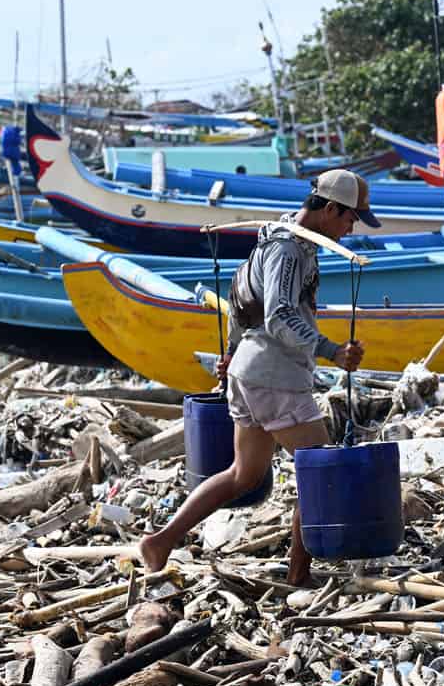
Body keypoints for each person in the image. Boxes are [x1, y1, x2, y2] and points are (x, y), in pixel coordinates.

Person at [139, 169, 378, 584]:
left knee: (243, 475)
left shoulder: (279, 240)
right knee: (321, 472)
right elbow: (279, 315)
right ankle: (299, 573)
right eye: (350, 218)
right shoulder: (288, 250)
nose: (351, 228)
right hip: (274, 377)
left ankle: (160, 541)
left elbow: (239, 300)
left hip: (248, 374)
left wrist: (232, 352)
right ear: (330, 209)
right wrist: (332, 351)